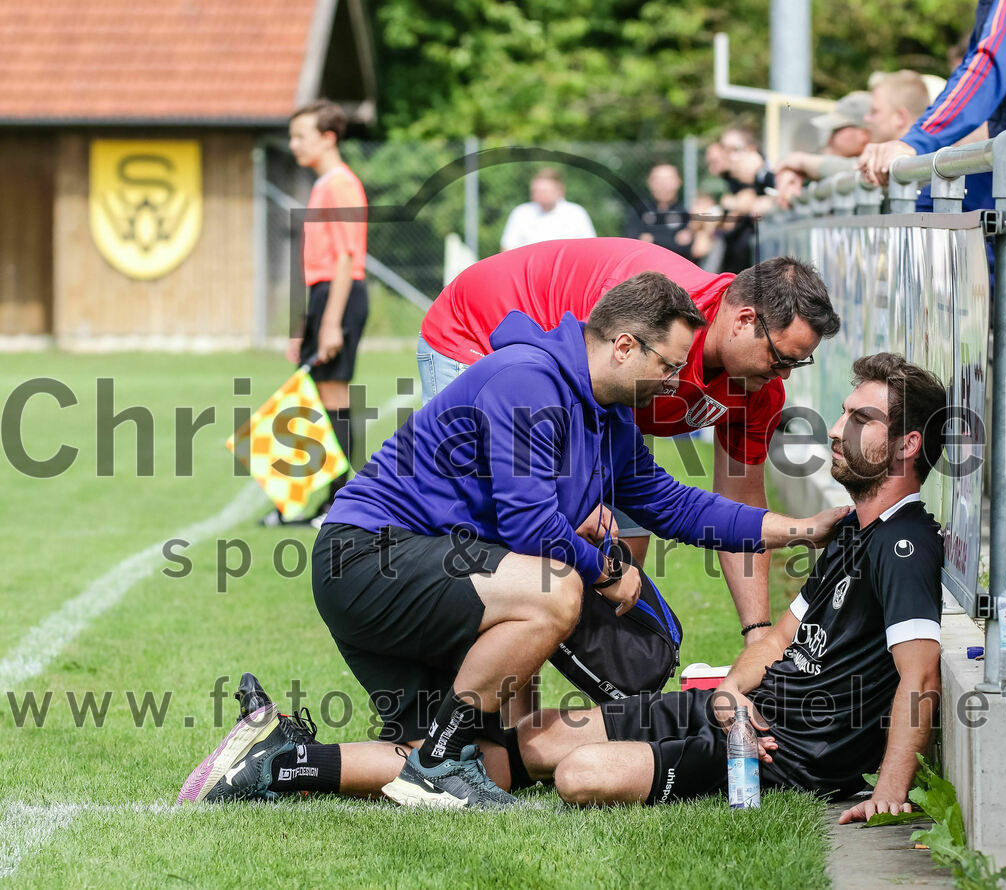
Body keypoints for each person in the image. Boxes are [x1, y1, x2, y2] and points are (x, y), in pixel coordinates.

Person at [178, 272, 849, 810]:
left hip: (432, 575)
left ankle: (279, 759)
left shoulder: (611, 414)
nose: (676, 385)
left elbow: (672, 505)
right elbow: (530, 525)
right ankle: (441, 759)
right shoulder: (526, 379)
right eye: (669, 367)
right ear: (623, 346)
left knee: (496, 765)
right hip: (366, 560)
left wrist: (799, 528)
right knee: (553, 591)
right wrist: (609, 570)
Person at [508, 353, 947, 822]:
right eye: (842, 413)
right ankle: (430, 772)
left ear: (908, 444)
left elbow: (920, 678)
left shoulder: (906, 544)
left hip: (784, 753)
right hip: (744, 715)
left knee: (580, 775)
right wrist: (730, 691)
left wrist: (890, 788)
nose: (836, 429)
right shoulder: (852, 530)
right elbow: (780, 639)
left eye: (860, 419)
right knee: (538, 739)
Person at [418, 238, 841, 649]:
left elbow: (736, 499)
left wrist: (758, 631)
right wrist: (575, 505)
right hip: (478, 327)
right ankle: (480, 699)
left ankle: (593, 706)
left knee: (622, 550)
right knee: (510, 540)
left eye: (797, 363)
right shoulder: (649, 318)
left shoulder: (758, 387)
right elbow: (537, 487)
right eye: (781, 358)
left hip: (578, 397)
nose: (784, 375)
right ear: (745, 320)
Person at [260, 99, 368, 528]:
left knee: (334, 400)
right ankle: (316, 499)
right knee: (319, 401)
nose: (293, 144)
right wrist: (302, 325)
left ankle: (340, 503)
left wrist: (328, 324)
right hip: (324, 298)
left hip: (340, 298)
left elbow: (345, 259)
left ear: (328, 138)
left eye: (300, 136)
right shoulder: (323, 185)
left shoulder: (340, 185)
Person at [859, 0, 1006, 185]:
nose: (867, 118)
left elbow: (987, 67)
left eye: (875, 111)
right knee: (929, 203)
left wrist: (916, 140)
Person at [775, 91, 872, 183]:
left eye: (836, 130)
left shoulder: (878, 164)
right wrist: (792, 173)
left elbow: (858, 168)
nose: (829, 140)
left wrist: (801, 161)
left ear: (862, 134)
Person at [500, 167, 596, 251]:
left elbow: (590, 246)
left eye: (545, 191)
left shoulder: (575, 213)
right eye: (536, 191)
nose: (540, 195)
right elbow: (507, 247)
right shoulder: (521, 213)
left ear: (560, 191)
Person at [626, 164, 691, 257]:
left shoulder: (686, 212)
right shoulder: (638, 211)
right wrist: (673, 241)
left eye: (668, 179)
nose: (663, 184)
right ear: (649, 183)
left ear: (679, 182)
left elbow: (689, 247)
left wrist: (652, 240)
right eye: (658, 179)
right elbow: (631, 240)